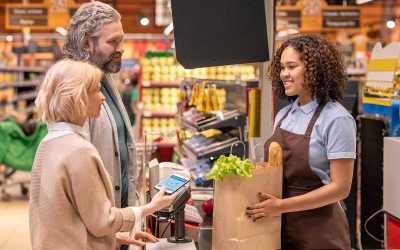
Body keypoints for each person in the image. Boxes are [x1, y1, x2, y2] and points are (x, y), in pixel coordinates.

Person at [30, 59, 177, 250]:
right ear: (78, 96)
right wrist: (151, 207)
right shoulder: (80, 150)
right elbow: (102, 221)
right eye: (97, 90)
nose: (103, 98)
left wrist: (112, 238)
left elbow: (65, 216)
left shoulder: (48, 143)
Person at [246, 34, 356, 249]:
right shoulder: (284, 115)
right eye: (281, 68)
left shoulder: (337, 119)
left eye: (291, 66)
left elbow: (340, 188)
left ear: (315, 69)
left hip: (319, 232)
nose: (284, 74)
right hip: (279, 226)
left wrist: (281, 206)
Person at [63, 2, 143, 248]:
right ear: (87, 43)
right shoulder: (73, 91)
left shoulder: (103, 80)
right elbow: (76, 176)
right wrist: (104, 231)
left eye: (122, 41)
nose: (121, 49)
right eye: (113, 42)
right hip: (95, 234)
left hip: (114, 224)